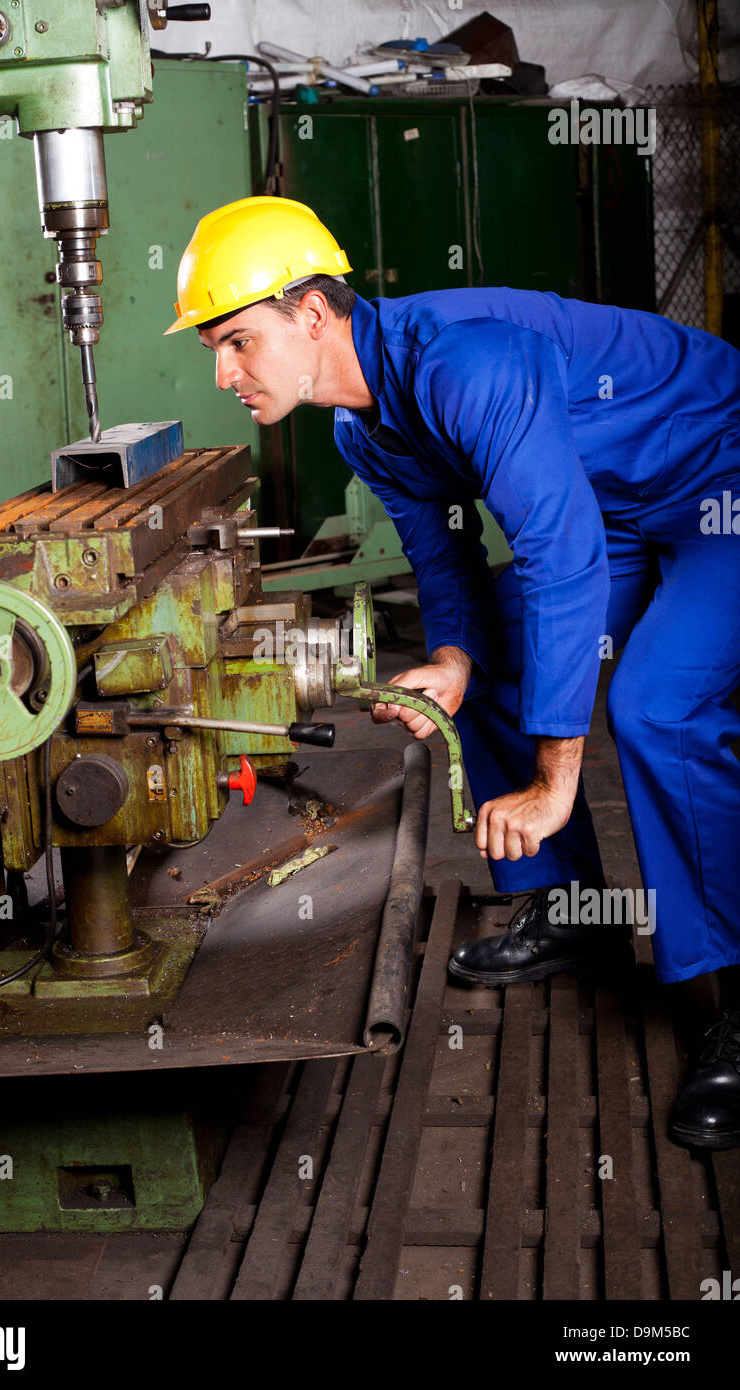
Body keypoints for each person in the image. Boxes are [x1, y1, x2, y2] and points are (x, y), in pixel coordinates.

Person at [166, 195, 740, 1150]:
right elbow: (447, 561)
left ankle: (732, 1001)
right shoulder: (362, 428)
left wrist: (559, 777)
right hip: (620, 508)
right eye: (213, 352)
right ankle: (573, 908)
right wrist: (454, 659)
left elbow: (558, 548)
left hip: (719, 476)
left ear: (312, 314)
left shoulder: (464, 360)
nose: (225, 372)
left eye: (237, 343)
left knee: (657, 707)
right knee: (482, 665)